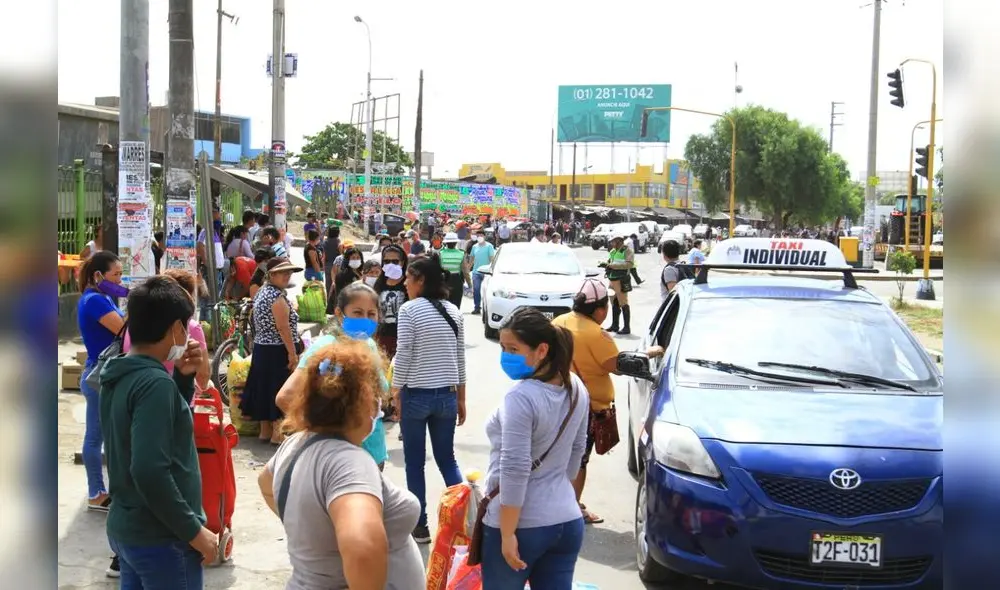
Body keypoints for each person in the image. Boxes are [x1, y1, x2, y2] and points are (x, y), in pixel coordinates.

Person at [100, 275, 219, 588]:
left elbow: (161, 428)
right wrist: (195, 532)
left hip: (130, 531)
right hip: (163, 538)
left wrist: (181, 379)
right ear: (177, 329)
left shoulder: (121, 373)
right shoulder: (154, 384)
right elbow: (150, 470)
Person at [482, 307, 590, 588]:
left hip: (521, 525)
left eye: (513, 349)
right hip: (566, 519)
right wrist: (553, 492)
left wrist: (507, 533)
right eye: (503, 347)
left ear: (542, 350)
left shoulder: (521, 397)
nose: (506, 356)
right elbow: (576, 453)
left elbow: (515, 468)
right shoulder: (576, 386)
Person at [552, 280, 664, 525]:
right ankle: (572, 509)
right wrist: (648, 353)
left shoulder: (558, 322)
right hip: (586, 408)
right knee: (579, 460)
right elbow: (617, 366)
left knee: (557, 456)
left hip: (557, 402)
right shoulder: (596, 334)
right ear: (600, 309)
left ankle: (555, 502)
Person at [276, 282, 391, 471]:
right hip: (341, 461)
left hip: (373, 454)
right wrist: (328, 433)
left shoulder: (369, 345)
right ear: (339, 313)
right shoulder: (327, 346)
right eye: (357, 312)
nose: (365, 319)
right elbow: (285, 397)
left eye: (371, 314)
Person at [391, 256, 466, 543]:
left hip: (416, 396)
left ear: (420, 280)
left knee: (414, 463)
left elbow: (405, 352)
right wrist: (461, 398)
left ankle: (419, 526)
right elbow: (460, 359)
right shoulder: (453, 311)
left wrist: (395, 391)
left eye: (409, 278)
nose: (405, 284)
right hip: (446, 396)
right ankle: (463, 521)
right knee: (448, 459)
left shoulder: (410, 310)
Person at [77, 251, 127, 514]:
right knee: (95, 437)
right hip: (98, 377)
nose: (120, 280)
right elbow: (121, 329)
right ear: (99, 276)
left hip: (104, 375)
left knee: (107, 436)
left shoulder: (104, 296)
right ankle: (96, 492)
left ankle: (106, 489)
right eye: (116, 275)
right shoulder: (95, 300)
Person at [240, 257, 305, 445]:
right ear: (272, 274)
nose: (287, 276)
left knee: (264, 388)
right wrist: (292, 354)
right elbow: (283, 328)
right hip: (277, 350)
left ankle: (265, 431)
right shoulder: (276, 297)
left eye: (289, 272)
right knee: (278, 389)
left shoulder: (261, 292)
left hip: (262, 349)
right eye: (283, 272)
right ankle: (277, 433)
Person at [123, 269, 211, 390]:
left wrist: (183, 377)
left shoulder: (134, 323)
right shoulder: (160, 385)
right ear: (177, 328)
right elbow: (203, 379)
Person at [373, 244, 408, 359]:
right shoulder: (379, 284)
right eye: (387, 261)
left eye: (395, 261)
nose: (390, 264)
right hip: (382, 337)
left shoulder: (408, 283)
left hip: (403, 338)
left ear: (402, 263)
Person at [599, 234, 634, 334]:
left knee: (623, 303)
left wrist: (612, 265)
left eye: (613, 241)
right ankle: (615, 325)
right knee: (614, 302)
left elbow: (629, 264)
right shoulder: (613, 251)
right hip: (612, 280)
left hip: (621, 280)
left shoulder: (627, 251)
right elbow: (610, 262)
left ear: (619, 241)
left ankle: (627, 327)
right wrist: (605, 264)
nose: (611, 243)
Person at [469, 229, 496, 315]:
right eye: (478, 236)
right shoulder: (474, 247)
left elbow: (492, 259)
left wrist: (493, 270)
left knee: (487, 291)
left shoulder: (489, 246)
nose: (479, 237)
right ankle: (477, 307)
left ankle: (487, 308)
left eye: (481, 235)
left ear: (484, 236)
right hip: (476, 272)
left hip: (487, 273)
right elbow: (472, 259)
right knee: (476, 290)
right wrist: (467, 269)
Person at [438, 232, 465, 309]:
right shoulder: (461, 253)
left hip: (445, 280)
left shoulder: (441, 253)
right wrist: (469, 284)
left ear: (446, 243)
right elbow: (465, 270)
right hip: (457, 280)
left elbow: (439, 268)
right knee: (456, 303)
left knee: (445, 303)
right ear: (456, 243)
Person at [323, 224, 341, 297]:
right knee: (336, 284)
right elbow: (340, 254)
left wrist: (324, 266)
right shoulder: (338, 241)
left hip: (327, 265)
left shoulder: (325, 241)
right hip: (336, 266)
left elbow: (324, 255)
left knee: (328, 285)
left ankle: (329, 301)